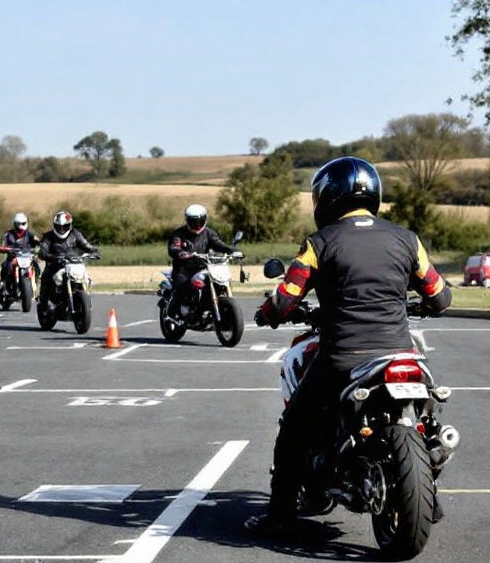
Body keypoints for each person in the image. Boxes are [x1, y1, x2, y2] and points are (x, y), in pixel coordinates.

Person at [247, 156, 452, 536]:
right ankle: (429, 495)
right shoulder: (408, 240)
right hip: (401, 354)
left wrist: (268, 313)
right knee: (425, 423)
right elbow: (440, 297)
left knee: (293, 428)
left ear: (325, 197)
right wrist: (417, 304)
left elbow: (286, 297)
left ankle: (278, 518)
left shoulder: (320, 243)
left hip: (344, 356)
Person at [165, 204, 239, 319]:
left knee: (218, 282)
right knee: (181, 285)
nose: (197, 224)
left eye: (200, 221)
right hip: (184, 269)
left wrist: (232, 251)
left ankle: (210, 307)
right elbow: (174, 247)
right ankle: (172, 311)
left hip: (203, 267)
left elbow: (219, 245)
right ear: (187, 220)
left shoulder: (209, 233)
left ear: (205, 219)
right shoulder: (179, 234)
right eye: (193, 221)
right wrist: (180, 253)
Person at [37, 211, 98, 310]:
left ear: (69, 225)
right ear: (54, 225)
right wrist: (50, 256)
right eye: (58, 226)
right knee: (48, 277)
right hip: (55, 265)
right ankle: (45, 303)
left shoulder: (76, 234)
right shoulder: (49, 236)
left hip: (73, 264)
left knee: (86, 278)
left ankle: (85, 302)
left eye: (64, 226)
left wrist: (93, 251)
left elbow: (86, 245)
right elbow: (43, 250)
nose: (61, 229)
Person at [0, 212, 40, 285]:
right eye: (18, 224)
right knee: (5, 265)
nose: (20, 226)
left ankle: (37, 280)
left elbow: (37, 242)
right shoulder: (7, 234)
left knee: (36, 263)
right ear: (14, 224)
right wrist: (3, 248)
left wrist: (38, 246)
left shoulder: (30, 234)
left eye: (23, 223)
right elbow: (3, 243)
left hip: (27, 257)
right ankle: (3, 284)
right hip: (13, 257)